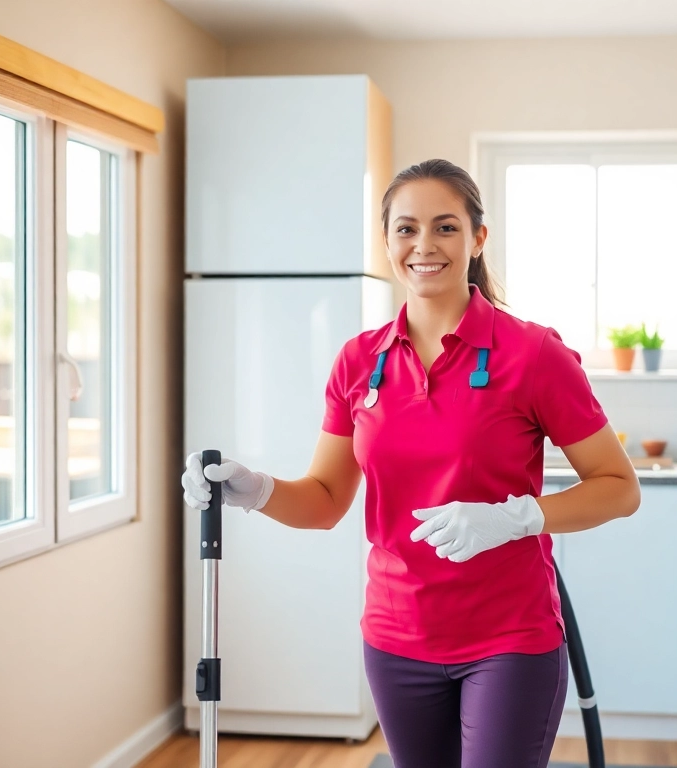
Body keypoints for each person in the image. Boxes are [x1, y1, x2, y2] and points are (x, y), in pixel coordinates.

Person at [181, 158, 640, 768]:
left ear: (478, 239)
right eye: (406, 229)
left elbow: (618, 487)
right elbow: (323, 501)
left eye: (446, 227)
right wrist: (257, 489)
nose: (424, 245)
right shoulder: (358, 361)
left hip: (508, 637)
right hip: (396, 637)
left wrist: (515, 518)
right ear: (387, 241)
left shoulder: (532, 354)